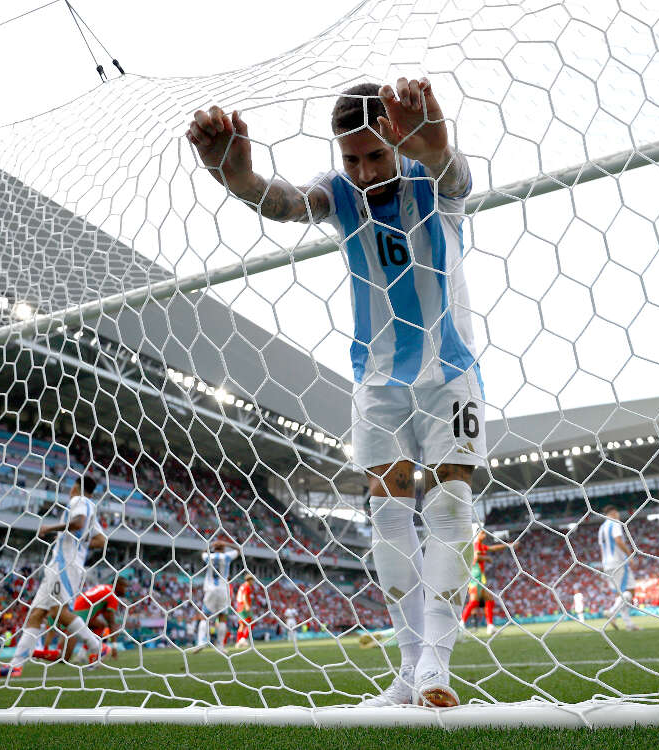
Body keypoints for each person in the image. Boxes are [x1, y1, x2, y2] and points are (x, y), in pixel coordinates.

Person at [188, 76, 480, 709]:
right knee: (388, 506)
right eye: (352, 159)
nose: (365, 170)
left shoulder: (433, 180)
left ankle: (436, 663)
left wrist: (434, 147)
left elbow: (454, 175)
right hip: (375, 375)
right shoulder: (341, 192)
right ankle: (407, 671)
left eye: (376, 155)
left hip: (448, 366)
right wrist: (237, 180)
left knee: (452, 498)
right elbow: (289, 203)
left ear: (398, 142)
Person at [0, 475, 106, 678]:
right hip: (58, 565)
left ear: (75, 487)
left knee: (59, 612)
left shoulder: (79, 501)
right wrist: (81, 543)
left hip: (64, 565)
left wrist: (50, 528)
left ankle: (95, 646)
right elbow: (101, 540)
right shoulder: (92, 507)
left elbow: (78, 523)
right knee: (37, 614)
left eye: (71, 487)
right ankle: (15, 666)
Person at [34, 577, 127, 662]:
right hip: (77, 615)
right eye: (125, 587)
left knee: (100, 625)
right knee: (63, 657)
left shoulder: (104, 587)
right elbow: (111, 623)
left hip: (76, 609)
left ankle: (82, 655)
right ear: (118, 585)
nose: (126, 590)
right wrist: (114, 647)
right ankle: (32, 653)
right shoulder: (112, 595)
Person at [190, 538, 241, 653]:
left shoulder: (209, 557)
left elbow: (202, 553)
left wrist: (212, 545)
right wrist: (226, 543)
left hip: (210, 589)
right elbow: (239, 550)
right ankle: (220, 646)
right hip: (223, 590)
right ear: (223, 548)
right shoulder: (227, 556)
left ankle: (201, 642)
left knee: (205, 616)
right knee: (222, 618)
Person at [460, 529, 511, 635]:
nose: (484, 535)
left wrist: (508, 545)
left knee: (489, 599)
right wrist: (486, 558)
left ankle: (490, 626)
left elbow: (492, 548)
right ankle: (461, 624)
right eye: (482, 533)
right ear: (477, 535)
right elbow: (475, 557)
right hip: (475, 577)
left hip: (479, 577)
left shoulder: (481, 545)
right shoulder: (476, 545)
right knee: (474, 601)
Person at [598, 507, 639, 631]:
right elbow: (618, 540)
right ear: (613, 513)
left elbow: (601, 548)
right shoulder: (615, 523)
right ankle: (612, 612)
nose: (619, 516)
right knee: (630, 592)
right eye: (618, 513)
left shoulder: (601, 528)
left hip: (607, 564)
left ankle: (628, 624)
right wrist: (629, 555)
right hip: (619, 562)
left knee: (622, 594)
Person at [234, 573, 256, 649]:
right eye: (253, 580)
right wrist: (247, 605)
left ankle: (238, 642)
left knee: (242, 625)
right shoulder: (247, 586)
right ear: (249, 580)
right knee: (251, 623)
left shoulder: (242, 586)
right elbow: (244, 596)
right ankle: (243, 639)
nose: (253, 581)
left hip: (239, 606)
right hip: (243, 606)